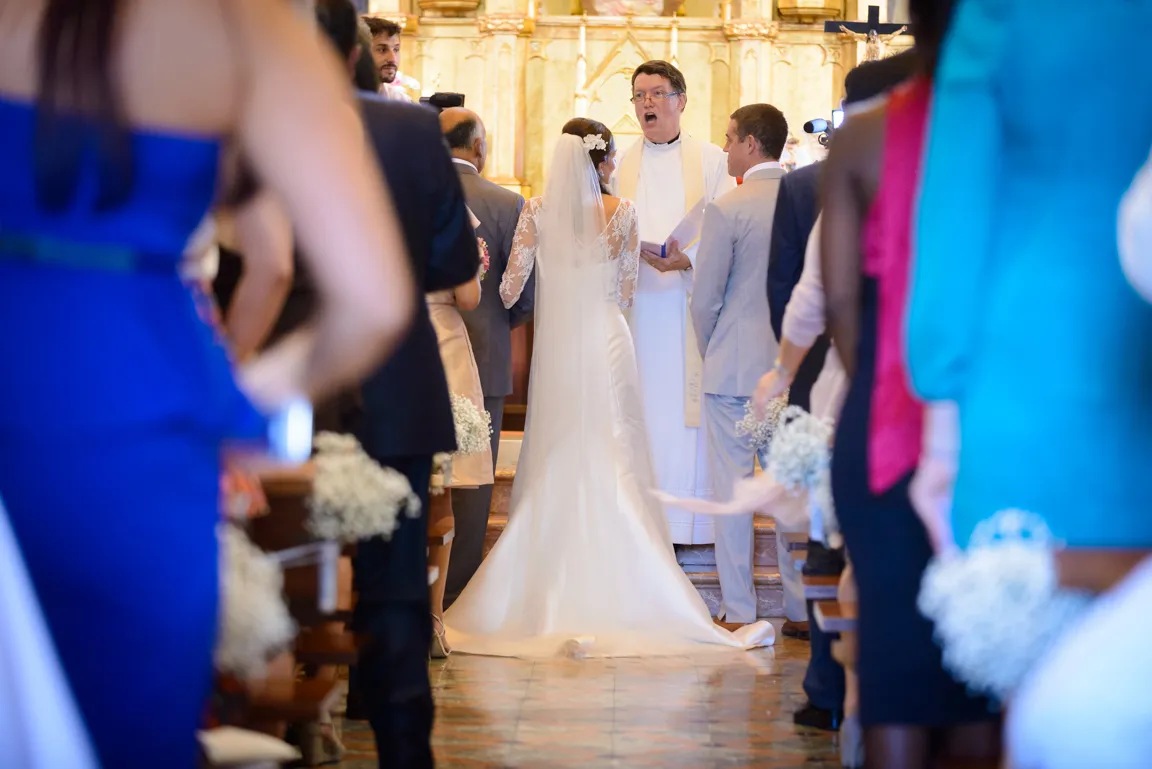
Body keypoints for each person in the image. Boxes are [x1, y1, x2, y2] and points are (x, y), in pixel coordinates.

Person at [0, 0, 415, 765]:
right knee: (122, 724)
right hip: (138, 407)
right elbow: (372, 299)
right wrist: (241, 408)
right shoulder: (240, 28)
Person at [443, 118, 773, 658]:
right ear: (601, 161)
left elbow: (507, 290)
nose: (617, 165)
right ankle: (628, 566)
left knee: (560, 447)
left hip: (561, 342)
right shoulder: (623, 214)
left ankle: (547, 575)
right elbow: (625, 291)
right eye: (613, 157)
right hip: (607, 336)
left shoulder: (536, 210)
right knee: (613, 445)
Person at [907, 0, 1152, 714]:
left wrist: (940, 424)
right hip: (1100, 355)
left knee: (1054, 697)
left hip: (1038, 368)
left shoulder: (1006, 11)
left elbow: (954, 217)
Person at [821, 5, 1001, 766]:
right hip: (995, 409)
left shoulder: (861, 138)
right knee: (986, 647)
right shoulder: (1015, 131)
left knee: (893, 637)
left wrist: (888, 397)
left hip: (883, 413)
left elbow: (838, 305)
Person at [312, 3, 478, 768]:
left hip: (291, 378)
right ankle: (404, 747)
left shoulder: (247, 121)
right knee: (396, 578)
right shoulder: (414, 132)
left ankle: (283, 717)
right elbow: (452, 266)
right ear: (355, 46)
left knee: (274, 556)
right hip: (397, 380)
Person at [615, 59, 735, 547]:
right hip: (636, 309)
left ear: (682, 101)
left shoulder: (713, 161)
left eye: (657, 93)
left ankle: (686, 522)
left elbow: (727, 228)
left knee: (682, 415)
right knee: (639, 405)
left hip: (687, 308)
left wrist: (688, 260)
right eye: (639, 94)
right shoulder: (619, 163)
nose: (647, 103)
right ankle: (637, 516)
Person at [688, 103, 786, 629]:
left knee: (733, 494)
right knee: (792, 490)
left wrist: (715, 348)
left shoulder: (728, 206)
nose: (724, 147)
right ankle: (798, 609)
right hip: (793, 372)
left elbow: (704, 300)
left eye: (729, 138)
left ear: (752, 143)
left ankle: (740, 610)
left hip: (733, 373)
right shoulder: (808, 199)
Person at [439, 106, 533, 605]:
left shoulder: (412, 195)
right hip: (487, 353)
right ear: (478, 147)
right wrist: (500, 326)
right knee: (476, 476)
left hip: (425, 353)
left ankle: (422, 579)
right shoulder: (505, 201)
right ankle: (462, 591)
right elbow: (524, 293)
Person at [425, 213, 493, 657]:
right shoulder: (448, 211)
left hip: (387, 340)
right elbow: (468, 297)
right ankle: (432, 620)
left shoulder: (373, 194)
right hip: (441, 345)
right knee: (439, 490)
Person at [363, 16, 412, 102]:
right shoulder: (336, 101)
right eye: (382, 50)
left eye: (396, 50)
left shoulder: (401, 101)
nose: (392, 59)